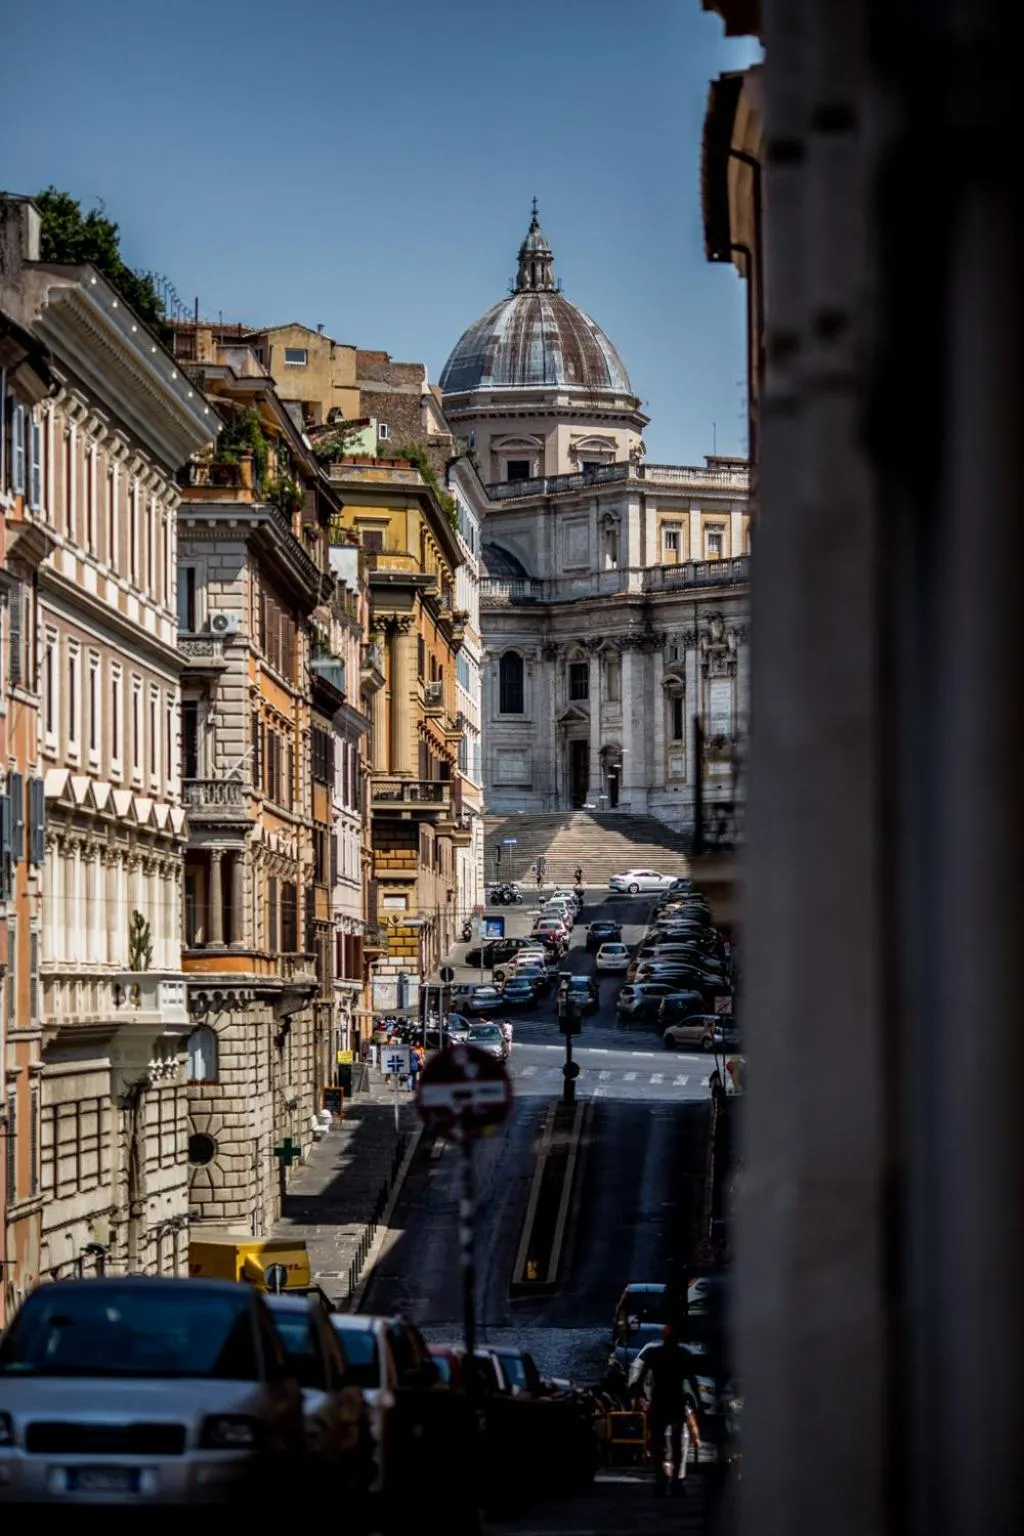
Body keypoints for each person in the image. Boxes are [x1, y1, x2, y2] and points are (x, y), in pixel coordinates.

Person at [637, 1324, 701, 1496]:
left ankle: (661, 1480)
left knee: (658, 1443)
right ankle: (675, 1482)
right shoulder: (682, 1355)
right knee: (675, 1442)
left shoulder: (655, 1354)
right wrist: (697, 1400)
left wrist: (639, 1392)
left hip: (661, 1401)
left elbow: (641, 1377)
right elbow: (692, 1380)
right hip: (674, 1401)